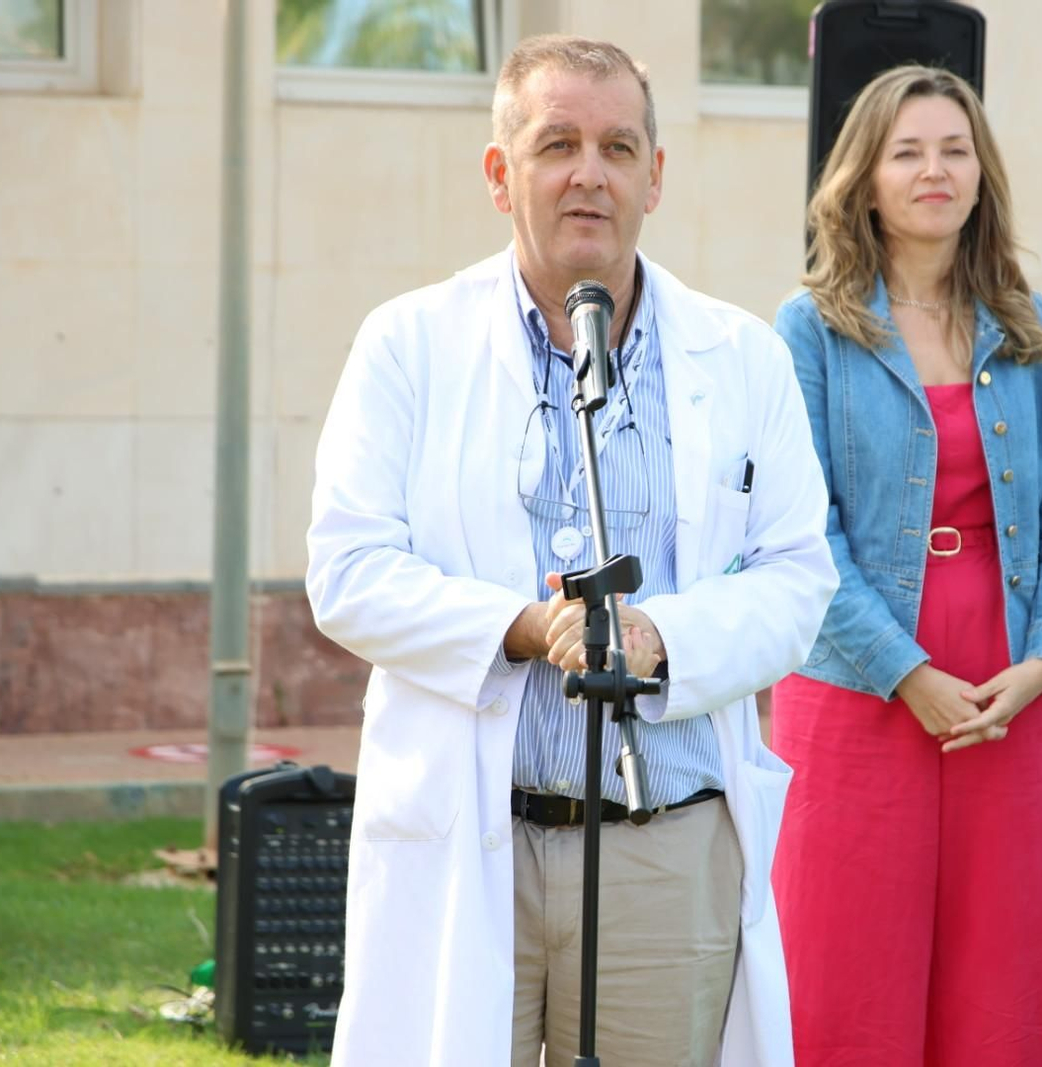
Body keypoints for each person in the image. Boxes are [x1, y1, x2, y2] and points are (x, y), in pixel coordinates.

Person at [305, 35, 837, 1067]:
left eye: (616, 145)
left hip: (664, 844)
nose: (588, 172)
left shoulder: (743, 357)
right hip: (470, 838)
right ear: (501, 174)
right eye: (557, 143)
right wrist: (524, 623)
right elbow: (347, 567)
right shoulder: (408, 344)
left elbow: (797, 574)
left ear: (655, 175)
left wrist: (659, 638)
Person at [771, 65, 1042, 1066]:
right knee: (845, 977)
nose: (933, 170)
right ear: (863, 177)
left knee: (1007, 989)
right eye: (906, 151)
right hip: (857, 691)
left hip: (1009, 694)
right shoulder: (810, 329)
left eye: (954, 149)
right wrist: (903, 670)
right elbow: (796, 529)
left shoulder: (1032, 327)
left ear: (981, 172)